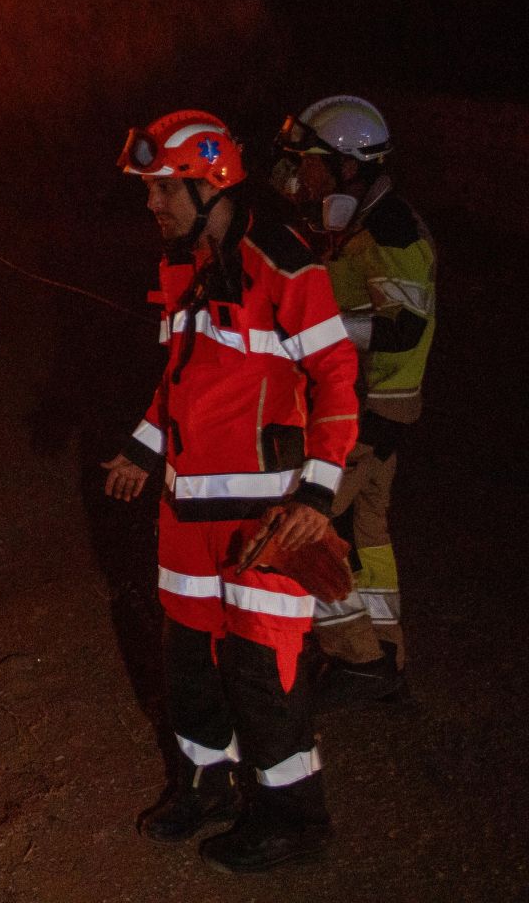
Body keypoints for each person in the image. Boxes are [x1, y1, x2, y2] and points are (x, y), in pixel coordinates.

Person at [102, 109, 358, 873]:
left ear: (210, 185)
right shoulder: (189, 265)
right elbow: (181, 381)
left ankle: (294, 818)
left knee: (262, 673)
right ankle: (206, 784)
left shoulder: (281, 262)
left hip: (266, 518)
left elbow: (337, 374)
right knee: (187, 663)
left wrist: (316, 496)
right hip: (186, 516)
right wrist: (141, 452)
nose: (152, 207)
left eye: (162, 192)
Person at [274, 95, 435, 707]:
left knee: (305, 531)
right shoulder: (363, 225)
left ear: (346, 167)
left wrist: (318, 333)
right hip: (381, 413)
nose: (298, 174)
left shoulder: (389, 232)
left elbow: (405, 327)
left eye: (307, 161)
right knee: (367, 535)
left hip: (369, 414)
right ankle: (386, 656)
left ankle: (356, 656)